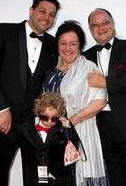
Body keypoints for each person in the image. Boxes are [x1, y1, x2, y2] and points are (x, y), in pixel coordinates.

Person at [0, 0, 60, 186]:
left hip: (31, 127)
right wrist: (1, 110)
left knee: (36, 179)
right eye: (42, 11)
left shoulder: (52, 44)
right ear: (31, 10)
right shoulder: (2, 31)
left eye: (52, 15)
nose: (46, 17)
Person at [83, 8, 126, 186]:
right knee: (115, 178)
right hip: (101, 125)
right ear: (90, 29)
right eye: (95, 24)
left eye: (105, 22)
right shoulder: (85, 56)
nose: (101, 27)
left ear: (113, 24)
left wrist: (106, 82)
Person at [42, 20, 108, 186]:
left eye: (73, 43)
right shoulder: (51, 68)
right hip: (51, 135)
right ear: (57, 45)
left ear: (80, 45)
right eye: (63, 43)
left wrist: (73, 120)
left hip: (79, 132)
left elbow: (100, 100)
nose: (67, 48)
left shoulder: (88, 67)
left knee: (76, 178)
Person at [13, 91, 79, 186]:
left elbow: (73, 151)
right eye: (44, 117)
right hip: (34, 179)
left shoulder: (63, 129)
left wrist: (68, 130)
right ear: (38, 112)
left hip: (60, 179)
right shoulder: (24, 129)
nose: (49, 122)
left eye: (54, 119)